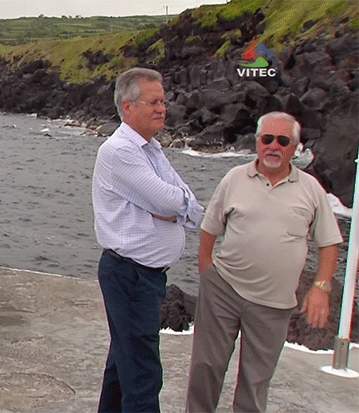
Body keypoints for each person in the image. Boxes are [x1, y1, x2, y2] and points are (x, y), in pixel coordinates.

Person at [185, 112, 342, 413]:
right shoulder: (234, 178)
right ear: (257, 142)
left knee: (256, 380)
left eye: (282, 141)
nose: (273, 146)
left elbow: (329, 242)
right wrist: (206, 269)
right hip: (224, 289)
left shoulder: (311, 189)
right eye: (266, 139)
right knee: (206, 366)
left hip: (274, 303)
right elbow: (210, 227)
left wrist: (321, 286)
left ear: (295, 147)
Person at [91, 67, 204, 412]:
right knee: (142, 373)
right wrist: (178, 207)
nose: (161, 108)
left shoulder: (150, 148)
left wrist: (178, 207)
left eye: (163, 101)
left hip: (142, 276)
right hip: (131, 275)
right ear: (127, 107)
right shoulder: (121, 151)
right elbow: (171, 200)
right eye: (153, 102)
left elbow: (185, 200)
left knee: (123, 363)